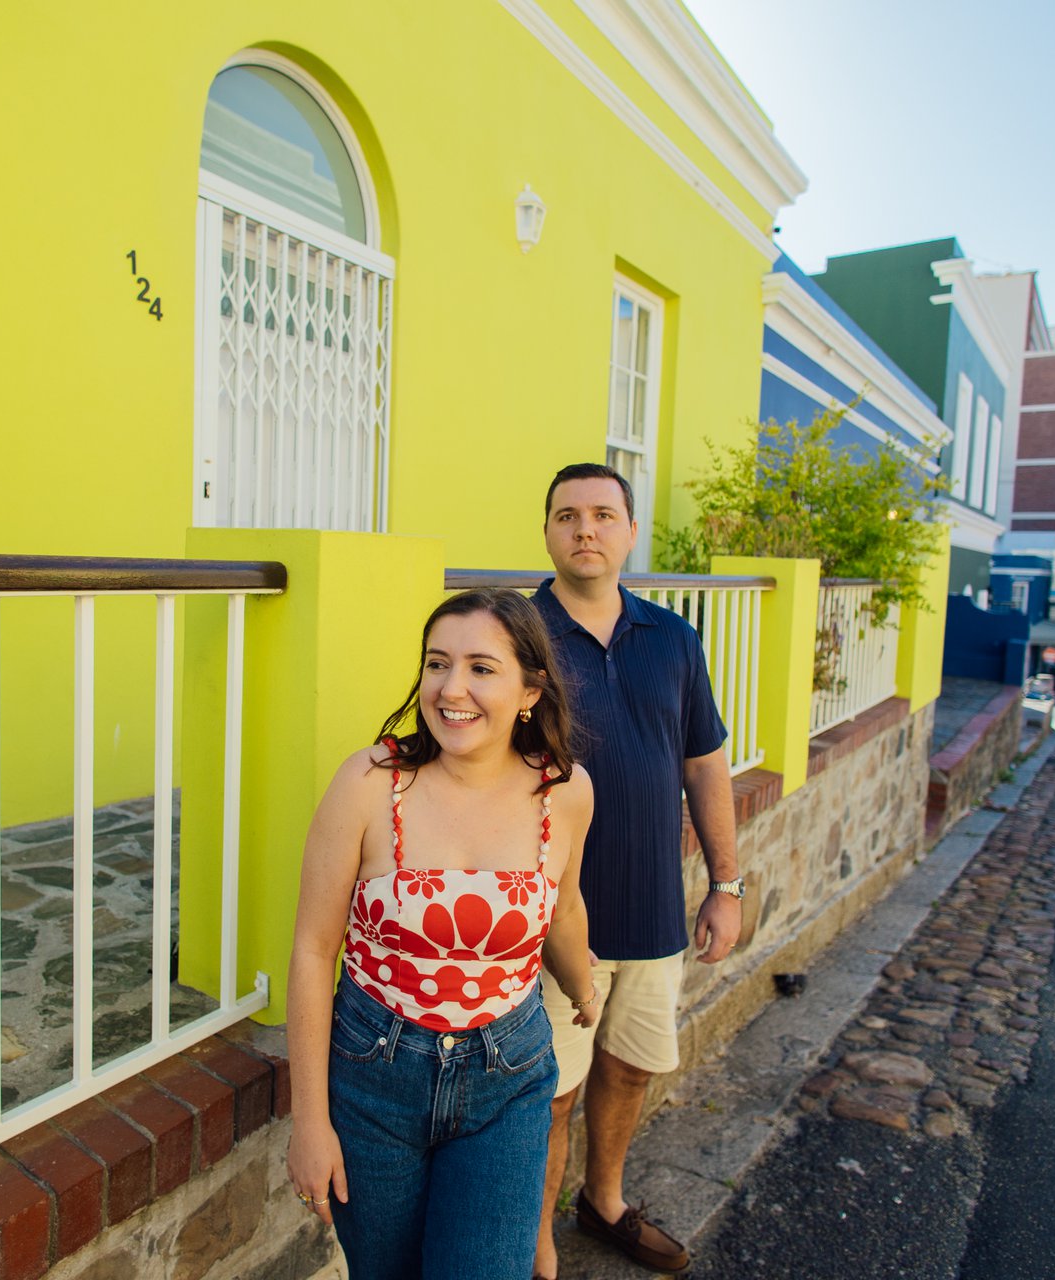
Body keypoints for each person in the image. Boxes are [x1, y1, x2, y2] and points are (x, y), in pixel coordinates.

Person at [286, 588, 600, 1280]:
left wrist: (583, 987)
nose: (451, 689)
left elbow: (563, 908)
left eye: (481, 668)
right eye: (437, 664)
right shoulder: (369, 783)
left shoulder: (566, 791)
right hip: (374, 1077)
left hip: (508, 1078)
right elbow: (312, 951)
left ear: (530, 691)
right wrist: (309, 1123)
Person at [529, 463, 745, 1279]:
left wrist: (725, 886)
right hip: (553, 921)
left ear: (629, 530)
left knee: (627, 1070)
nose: (585, 529)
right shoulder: (518, 637)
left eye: (602, 514)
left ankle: (605, 1202)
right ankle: (537, 1245)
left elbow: (705, 764)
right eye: (567, 515)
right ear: (547, 531)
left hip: (653, 911)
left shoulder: (674, 638)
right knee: (549, 1092)